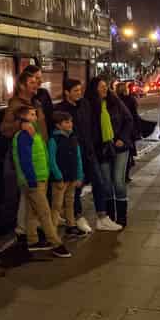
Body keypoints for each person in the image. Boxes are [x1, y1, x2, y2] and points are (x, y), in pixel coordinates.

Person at [11, 105, 72, 258]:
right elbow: (25, 160)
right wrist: (31, 180)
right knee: (44, 212)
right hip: (34, 180)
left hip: (39, 177)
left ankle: (32, 241)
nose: (35, 117)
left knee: (32, 212)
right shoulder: (25, 136)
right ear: (24, 118)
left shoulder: (32, 133)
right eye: (32, 115)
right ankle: (56, 243)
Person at [1, 69, 50, 249]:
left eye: (38, 81)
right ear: (22, 85)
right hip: (27, 156)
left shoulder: (36, 102)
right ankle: (25, 232)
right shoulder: (16, 105)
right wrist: (21, 124)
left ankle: (29, 231)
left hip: (39, 153)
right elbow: (5, 129)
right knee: (29, 194)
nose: (37, 84)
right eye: (33, 81)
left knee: (29, 195)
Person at [85, 76, 131, 229]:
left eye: (106, 86)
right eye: (101, 86)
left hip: (119, 147)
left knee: (118, 181)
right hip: (102, 149)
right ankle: (110, 217)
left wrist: (122, 138)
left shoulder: (115, 101)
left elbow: (128, 119)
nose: (104, 89)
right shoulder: (90, 106)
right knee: (106, 183)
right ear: (94, 89)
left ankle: (122, 217)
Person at [55, 79, 95, 234]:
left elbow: (89, 127)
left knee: (83, 187)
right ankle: (74, 220)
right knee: (69, 195)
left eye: (80, 90)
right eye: (76, 90)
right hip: (70, 158)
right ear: (67, 92)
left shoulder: (84, 105)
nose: (79, 93)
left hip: (85, 152)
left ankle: (75, 220)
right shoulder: (61, 110)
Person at [48, 111, 89, 238]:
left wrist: (79, 175)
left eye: (70, 121)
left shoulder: (73, 138)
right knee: (57, 205)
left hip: (72, 177)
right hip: (60, 179)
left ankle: (71, 226)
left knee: (70, 202)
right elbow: (51, 159)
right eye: (66, 122)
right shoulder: (54, 140)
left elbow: (78, 157)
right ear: (58, 125)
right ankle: (52, 232)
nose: (70, 124)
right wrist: (58, 176)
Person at [116, 82, 141, 179]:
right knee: (128, 152)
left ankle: (122, 174)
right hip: (129, 130)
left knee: (121, 153)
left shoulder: (116, 100)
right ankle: (126, 174)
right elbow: (134, 115)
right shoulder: (130, 99)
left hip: (119, 130)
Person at [23, 64, 55, 138]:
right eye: (37, 78)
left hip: (45, 135)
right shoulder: (22, 98)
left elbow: (50, 115)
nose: (41, 81)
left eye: (41, 77)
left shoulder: (44, 93)